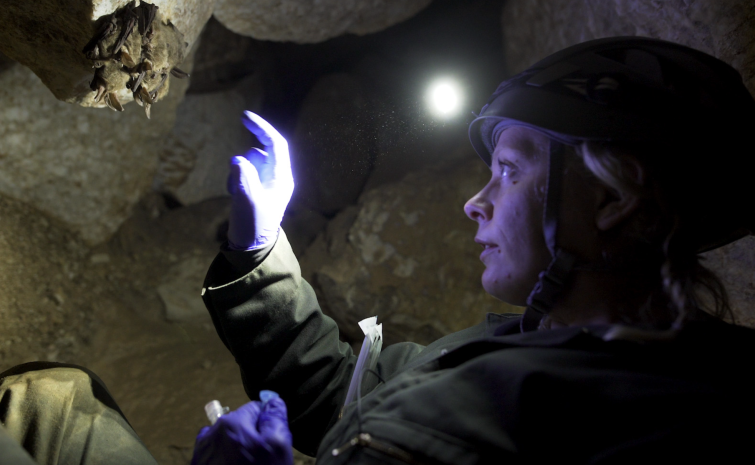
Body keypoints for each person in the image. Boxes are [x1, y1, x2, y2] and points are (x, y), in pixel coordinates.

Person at [195, 36, 755, 464]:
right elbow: (341, 395)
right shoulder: (519, 345)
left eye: (509, 170)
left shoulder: (665, 423)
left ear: (612, 199)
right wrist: (259, 249)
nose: (474, 203)